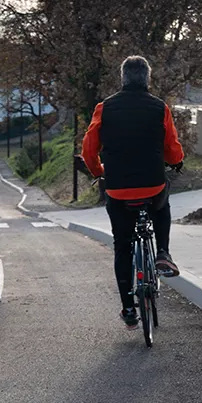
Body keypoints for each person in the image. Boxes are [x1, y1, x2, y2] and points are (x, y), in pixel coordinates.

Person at [81, 55, 184, 329]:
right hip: (152, 186)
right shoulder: (160, 108)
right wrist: (176, 162)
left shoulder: (104, 108)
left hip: (117, 190)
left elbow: (88, 149)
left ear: (123, 78)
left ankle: (128, 308)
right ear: (147, 78)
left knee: (122, 245)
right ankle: (162, 252)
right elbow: (172, 148)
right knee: (162, 203)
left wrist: (98, 171)